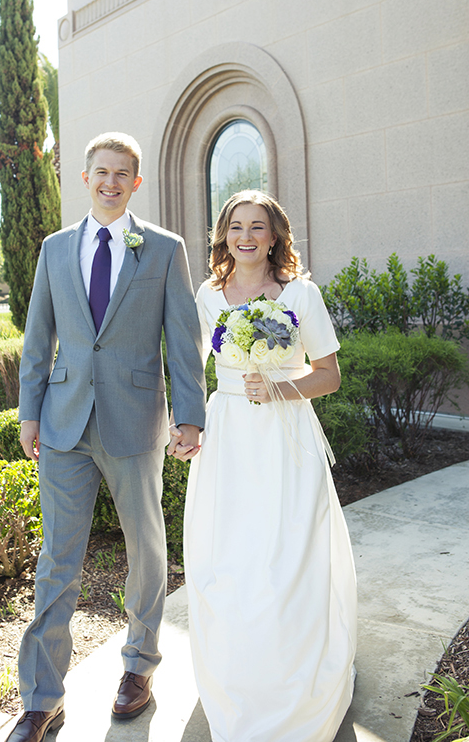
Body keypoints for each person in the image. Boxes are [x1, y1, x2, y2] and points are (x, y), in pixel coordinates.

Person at [9, 132, 206, 742]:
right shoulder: (54, 249)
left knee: (146, 552)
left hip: (135, 419)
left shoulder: (165, 250)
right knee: (56, 563)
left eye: (123, 173)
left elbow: (183, 339)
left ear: (136, 182)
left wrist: (190, 414)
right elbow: (38, 337)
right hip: (65, 423)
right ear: (86, 177)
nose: (111, 182)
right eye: (101, 172)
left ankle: (138, 666)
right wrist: (29, 411)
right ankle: (42, 700)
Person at [170, 190, 357, 742]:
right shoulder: (208, 295)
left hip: (286, 436)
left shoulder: (302, 292)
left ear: (275, 236)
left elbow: (329, 374)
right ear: (223, 236)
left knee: (288, 557)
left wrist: (280, 388)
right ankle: (237, 679)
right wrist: (185, 424)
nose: (246, 236)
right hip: (228, 435)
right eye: (235, 227)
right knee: (228, 558)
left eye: (257, 226)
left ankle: (295, 684)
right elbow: (188, 365)